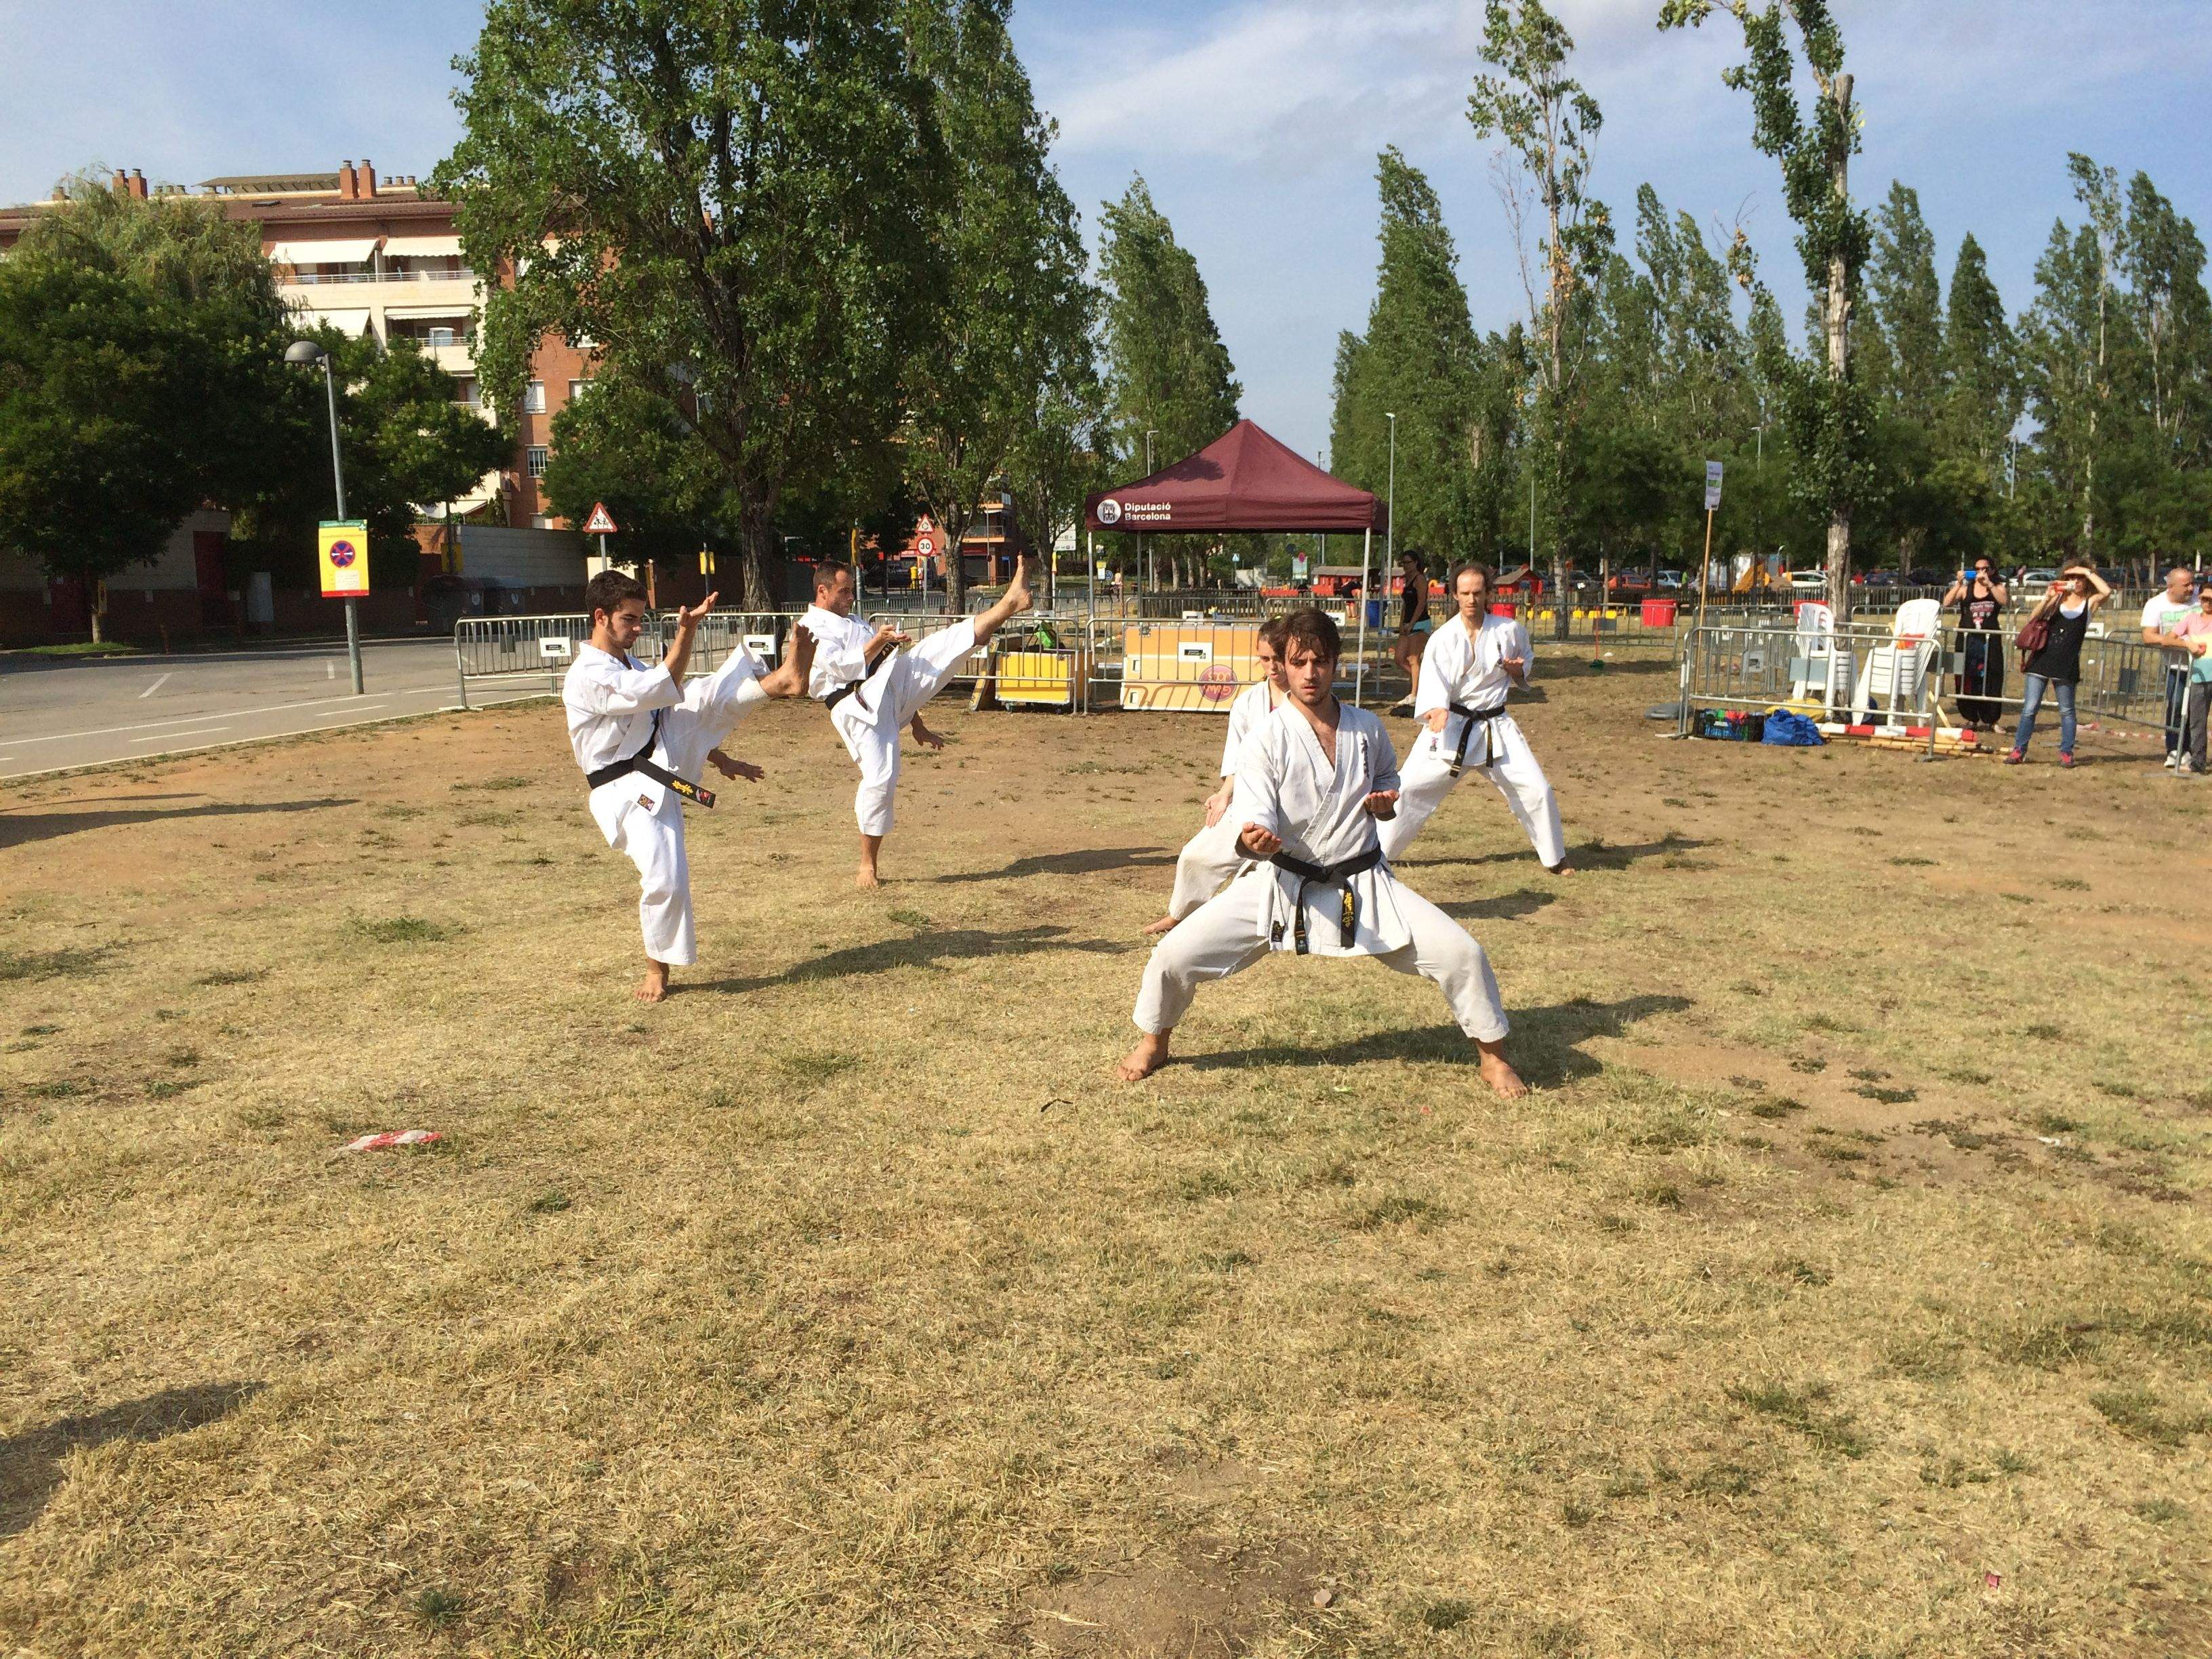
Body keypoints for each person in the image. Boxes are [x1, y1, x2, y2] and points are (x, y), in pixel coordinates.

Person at [1115, 609, 1526, 1098]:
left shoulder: (1368, 728)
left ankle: (1493, 1057)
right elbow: (1254, 814)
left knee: (1463, 953)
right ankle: (1154, 1041)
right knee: (1173, 954)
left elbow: (1388, 785)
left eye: (1321, 661)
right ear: (1284, 667)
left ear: (1337, 665)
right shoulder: (1266, 737)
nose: (1311, 673)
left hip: (1364, 883)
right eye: (1300, 662)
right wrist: (1255, 840)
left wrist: (1384, 805)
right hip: (1282, 883)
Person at [564, 571, 815, 1003]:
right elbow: (661, 685)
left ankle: (783, 681)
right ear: (601, 617)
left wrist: (719, 757)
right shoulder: (589, 674)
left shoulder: (628, 663)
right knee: (667, 878)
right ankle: (655, 968)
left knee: (702, 695)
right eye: (630, 620)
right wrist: (687, 631)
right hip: (622, 786)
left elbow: (664, 713)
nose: (638, 628)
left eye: (642, 619)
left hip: (655, 760)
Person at [802, 555, 1033, 887]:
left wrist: (917, 723)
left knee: (947, 644)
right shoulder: (812, 627)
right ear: (822, 591)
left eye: (852, 590)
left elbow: (881, 667)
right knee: (881, 777)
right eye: (844, 591)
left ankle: (1009, 604)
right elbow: (842, 668)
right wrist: (878, 642)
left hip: (891, 683)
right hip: (857, 705)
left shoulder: (854, 621)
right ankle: (867, 864)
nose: (851, 597)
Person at [1375, 562, 1568, 872]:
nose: (1471, 600)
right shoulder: (1443, 637)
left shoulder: (1510, 630)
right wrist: (1436, 710)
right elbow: (1433, 679)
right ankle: (1377, 854)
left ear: (1488, 593)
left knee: (1536, 788)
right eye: (1464, 593)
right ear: (1454, 595)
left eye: (1478, 592)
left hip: (1496, 727)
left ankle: (1555, 858)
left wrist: (1518, 670)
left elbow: (1525, 663)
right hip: (1452, 725)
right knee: (1409, 788)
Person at [1143, 615, 1291, 935]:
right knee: (1195, 856)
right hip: (1252, 798)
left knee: (1272, 872)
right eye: (1265, 659)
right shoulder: (1247, 703)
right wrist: (1224, 794)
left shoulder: (1309, 701)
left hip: (1295, 803)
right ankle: (1180, 915)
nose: (1272, 667)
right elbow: (1239, 756)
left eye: (1279, 659)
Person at [2006, 565, 2112, 767]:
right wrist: (2048, 597)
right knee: (2030, 708)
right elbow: (2033, 618)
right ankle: (2019, 750)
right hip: (2041, 659)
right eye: (2071, 577)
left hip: (2066, 664)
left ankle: (2066, 752)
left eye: (2079, 578)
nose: (2076, 581)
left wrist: (2087, 571)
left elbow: (2106, 592)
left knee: (2067, 711)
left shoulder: (2089, 603)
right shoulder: (2058, 599)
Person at [2139, 566, 2201, 768]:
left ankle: (2195, 752)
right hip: (2177, 666)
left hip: (2204, 665)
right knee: (2176, 707)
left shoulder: (2201, 600)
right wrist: (2184, 644)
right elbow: (2149, 636)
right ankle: (2175, 750)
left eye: (2193, 583)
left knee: (2197, 710)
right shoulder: (2155, 604)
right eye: (2186, 585)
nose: (2192, 589)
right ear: (2171, 586)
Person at [1942, 556, 2009, 727]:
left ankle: (1991, 719)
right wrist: (1958, 583)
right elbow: (1947, 603)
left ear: (1992, 570)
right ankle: (1970, 717)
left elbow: (2004, 601)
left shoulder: (1998, 587)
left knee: (1992, 677)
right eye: (1977, 569)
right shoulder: (1966, 589)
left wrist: (1989, 584)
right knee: (1966, 678)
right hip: (1967, 640)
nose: (1981, 572)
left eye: (1985, 569)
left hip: (1990, 640)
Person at [1387, 549, 1434, 716]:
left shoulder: (1420, 579)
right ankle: (1422, 682)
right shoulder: (1407, 580)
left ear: (1415, 563)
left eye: (1408, 562)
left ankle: (1415, 694)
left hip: (1420, 622)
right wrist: (1401, 623)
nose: (1405, 566)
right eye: (1403, 563)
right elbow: (1406, 604)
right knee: (1399, 658)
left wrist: (1413, 623)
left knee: (1414, 658)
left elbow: (1421, 603)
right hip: (1407, 623)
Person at [2172, 583, 2212, 775]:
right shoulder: (2191, 619)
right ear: (2200, 599)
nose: (2208, 603)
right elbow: (2169, 638)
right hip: (2199, 677)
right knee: (2197, 722)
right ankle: (2198, 762)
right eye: (2205, 599)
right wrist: (2187, 643)